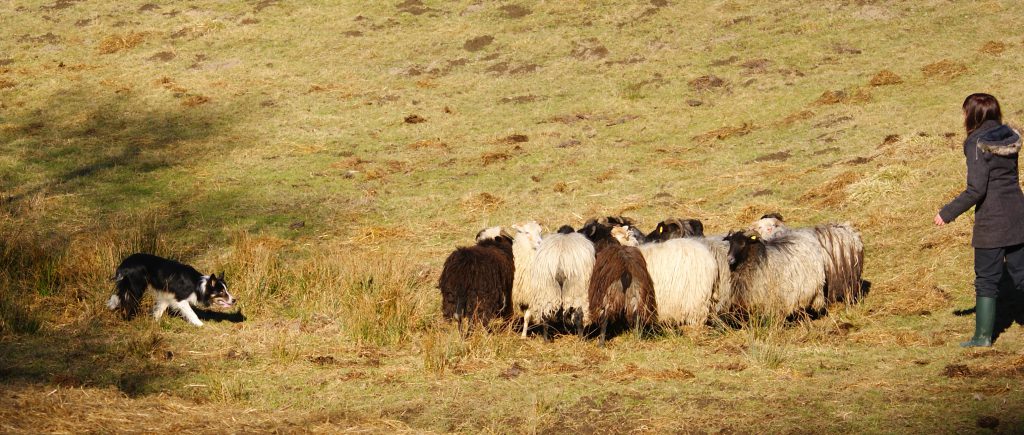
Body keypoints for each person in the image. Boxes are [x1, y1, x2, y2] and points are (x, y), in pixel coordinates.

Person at [935, 93, 1024, 347]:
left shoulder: (976, 143)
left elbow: (976, 190)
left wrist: (947, 213)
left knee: (986, 279)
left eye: (965, 112)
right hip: (1018, 215)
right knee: (1022, 275)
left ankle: (982, 338)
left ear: (973, 115)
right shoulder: (1009, 135)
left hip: (993, 223)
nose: (963, 117)